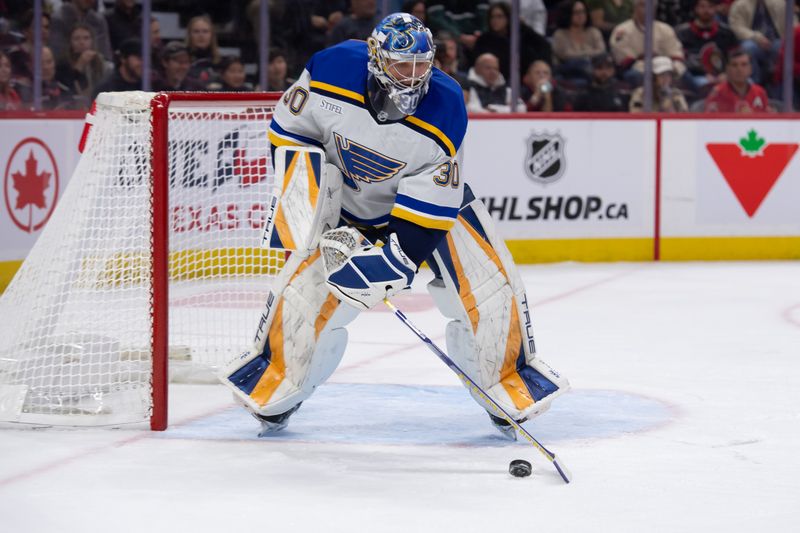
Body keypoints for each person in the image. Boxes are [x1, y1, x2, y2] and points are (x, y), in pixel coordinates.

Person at [221, 13, 568, 438]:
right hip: (347, 206)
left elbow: (433, 197)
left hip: (427, 210)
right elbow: (290, 133)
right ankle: (278, 385)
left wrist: (397, 259)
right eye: (404, 65)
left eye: (423, 65)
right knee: (300, 301)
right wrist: (311, 209)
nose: (415, 76)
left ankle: (506, 387)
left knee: (489, 287)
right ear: (376, 59)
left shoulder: (446, 103)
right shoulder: (331, 68)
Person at [610, 0, 687, 86]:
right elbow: (624, 59)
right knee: (634, 76)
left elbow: (675, 53)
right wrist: (653, 69)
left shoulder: (665, 29)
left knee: (685, 76)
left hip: (666, 68)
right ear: (635, 8)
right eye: (643, 5)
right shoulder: (622, 31)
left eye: (652, 6)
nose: (648, 9)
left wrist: (671, 67)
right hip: (637, 70)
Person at [472, 2, 552, 80]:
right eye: (492, 17)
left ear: (508, 18)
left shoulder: (521, 35)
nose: (495, 20)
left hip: (522, 79)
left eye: (499, 17)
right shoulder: (484, 40)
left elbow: (544, 46)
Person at [676, 0, 740, 94]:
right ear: (696, 9)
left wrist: (727, 74)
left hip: (724, 76)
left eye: (710, 7)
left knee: (746, 83)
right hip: (695, 76)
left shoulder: (727, 33)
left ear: (715, 8)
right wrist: (704, 74)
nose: (706, 10)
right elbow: (681, 62)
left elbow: (737, 58)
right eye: (702, 7)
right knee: (707, 86)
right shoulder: (682, 33)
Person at [728, 0, 789, 85]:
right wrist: (756, 37)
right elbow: (736, 27)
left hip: (776, 40)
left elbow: (792, 23)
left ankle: (782, 84)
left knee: (787, 48)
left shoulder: (780, 3)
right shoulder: (739, 4)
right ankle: (753, 84)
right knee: (748, 48)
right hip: (752, 41)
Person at [552, 0, 606, 85]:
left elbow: (602, 51)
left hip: (593, 69)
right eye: (576, 12)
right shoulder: (560, 34)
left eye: (583, 12)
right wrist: (590, 52)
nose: (581, 15)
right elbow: (566, 55)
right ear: (567, 14)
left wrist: (580, 54)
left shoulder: (593, 31)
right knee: (580, 64)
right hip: (569, 72)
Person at [56, 24, 112, 104]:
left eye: (86, 38)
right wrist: (79, 66)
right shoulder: (63, 64)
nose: (82, 42)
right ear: (70, 42)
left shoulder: (102, 62)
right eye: (76, 39)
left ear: (92, 41)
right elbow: (66, 90)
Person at [704, 47, 773, 111]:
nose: (739, 69)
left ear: (751, 69)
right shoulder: (717, 93)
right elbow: (710, 122)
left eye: (744, 65)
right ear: (727, 69)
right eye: (734, 65)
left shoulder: (760, 93)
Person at [185, 14, 221, 86]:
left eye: (205, 31)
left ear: (212, 35)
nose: (201, 35)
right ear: (189, 35)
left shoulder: (220, 62)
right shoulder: (182, 60)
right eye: (196, 31)